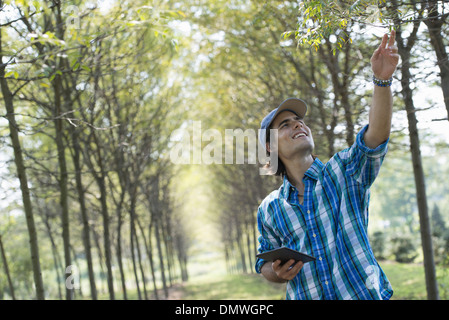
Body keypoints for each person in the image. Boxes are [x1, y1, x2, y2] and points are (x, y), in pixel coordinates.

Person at [255, 31, 399, 300]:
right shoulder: (269, 209)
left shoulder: (344, 172)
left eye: (298, 120)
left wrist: (382, 80)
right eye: (285, 125)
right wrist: (277, 272)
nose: (298, 124)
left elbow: (376, 135)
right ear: (269, 147)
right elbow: (263, 264)